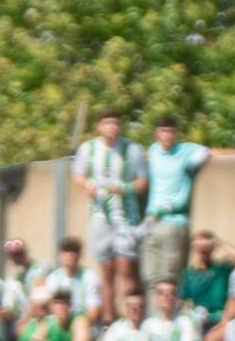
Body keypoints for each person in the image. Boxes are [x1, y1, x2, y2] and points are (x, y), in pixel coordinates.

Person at [72, 109, 147, 322]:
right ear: (99, 126)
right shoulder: (88, 149)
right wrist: (87, 186)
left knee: (126, 268)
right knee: (106, 269)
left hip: (126, 217)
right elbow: (78, 175)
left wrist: (124, 188)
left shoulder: (132, 150)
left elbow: (142, 182)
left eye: (115, 123)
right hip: (100, 216)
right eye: (107, 123)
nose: (111, 127)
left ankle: (132, 316)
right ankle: (108, 318)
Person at [140, 114, 210, 299]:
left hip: (174, 222)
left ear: (176, 133)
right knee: (150, 278)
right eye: (163, 131)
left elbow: (207, 152)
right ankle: (152, 322)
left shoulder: (185, 150)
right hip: (151, 222)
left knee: (169, 280)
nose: (167, 135)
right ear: (156, 133)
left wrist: (192, 165)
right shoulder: (153, 151)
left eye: (171, 131)